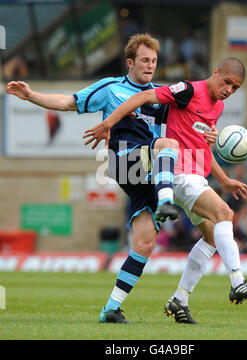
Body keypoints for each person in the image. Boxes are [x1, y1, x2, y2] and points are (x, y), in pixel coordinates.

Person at [7, 33, 185, 324]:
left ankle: (110, 309)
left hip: (147, 170)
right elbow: (67, 102)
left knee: (144, 243)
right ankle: (168, 202)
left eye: (153, 60)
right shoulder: (111, 87)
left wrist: (209, 134)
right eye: (144, 60)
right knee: (167, 146)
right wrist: (31, 96)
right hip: (122, 161)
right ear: (130, 62)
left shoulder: (160, 95)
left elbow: (186, 122)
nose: (150, 65)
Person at [84, 57, 247, 324]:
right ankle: (238, 281)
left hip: (197, 176)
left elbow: (202, 147)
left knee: (213, 237)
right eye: (227, 82)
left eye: (235, 88)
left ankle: (179, 299)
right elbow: (146, 96)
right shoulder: (188, 90)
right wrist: (109, 122)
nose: (229, 89)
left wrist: (224, 179)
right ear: (215, 72)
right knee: (224, 214)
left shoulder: (217, 108)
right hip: (178, 172)